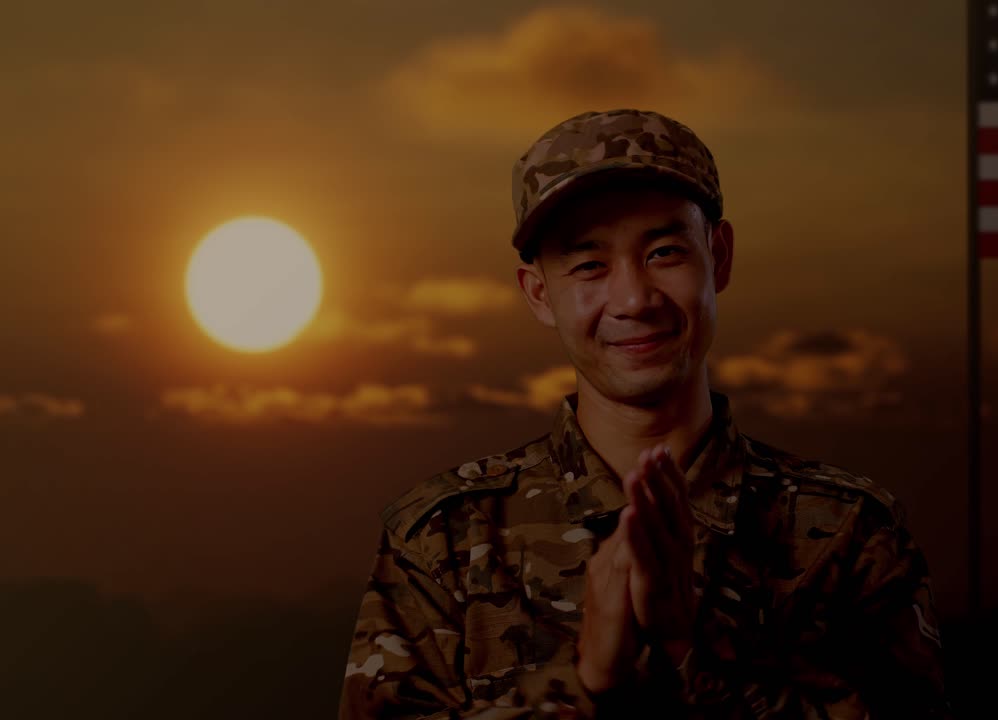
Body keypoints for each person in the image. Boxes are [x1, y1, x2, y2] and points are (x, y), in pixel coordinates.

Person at [337, 109, 950, 719]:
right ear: (539, 293)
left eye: (663, 252)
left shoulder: (847, 533)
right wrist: (589, 681)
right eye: (589, 265)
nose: (633, 298)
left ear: (720, 255)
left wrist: (692, 658)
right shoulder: (444, 541)